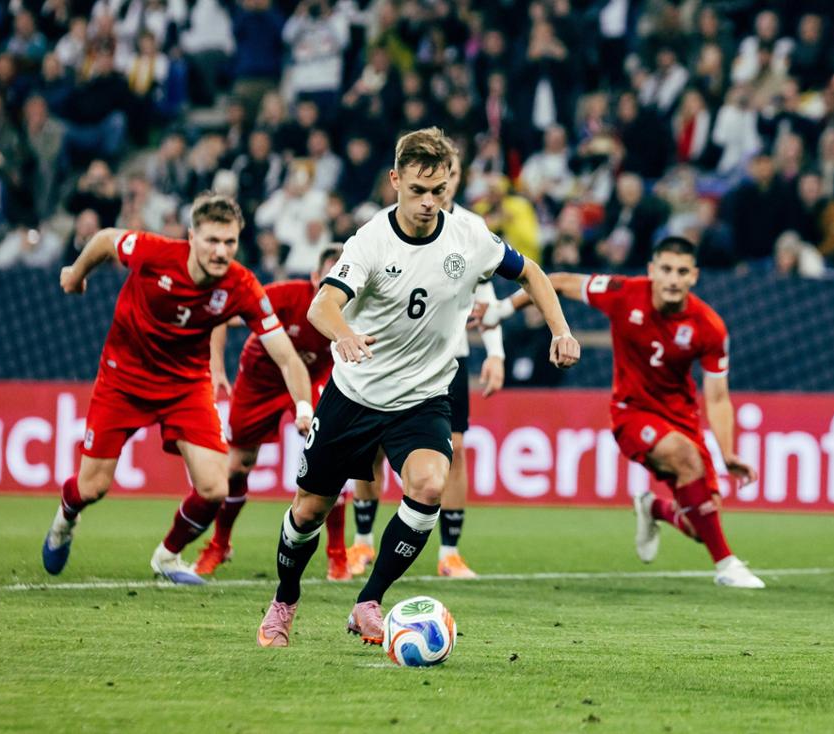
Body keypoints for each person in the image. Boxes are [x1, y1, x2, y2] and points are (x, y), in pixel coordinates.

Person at [256, 127, 580, 647]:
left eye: (439, 190)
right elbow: (323, 305)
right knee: (309, 511)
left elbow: (533, 275)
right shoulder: (370, 240)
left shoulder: (470, 238)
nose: (429, 202)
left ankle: (368, 601)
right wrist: (346, 335)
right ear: (395, 181)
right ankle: (284, 600)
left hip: (424, 396)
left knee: (430, 485)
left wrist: (561, 330)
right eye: (417, 191)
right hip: (355, 395)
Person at [41, 194, 314, 585]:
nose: (221, 252)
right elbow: (103, 240)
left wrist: (303, 406)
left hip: (186, 386)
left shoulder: (242, 286)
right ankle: (64, 523)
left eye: (230, 242)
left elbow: (287, 357)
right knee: (92, 487)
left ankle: (167, 557)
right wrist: (76, 273)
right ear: (191, 237)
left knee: (215, 488)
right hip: (123, 380)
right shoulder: (155, 253)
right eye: (212, 241)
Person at [484, 236, 765, 588]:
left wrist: (727, 452)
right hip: (631, 414)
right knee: (685, 457)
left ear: (694, 276)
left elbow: (719, 397)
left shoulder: (709, 326)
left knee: (699, 525)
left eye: (681, 272)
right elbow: (555, 281)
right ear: (652, 271)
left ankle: (653, 508)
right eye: (665, 269)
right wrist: (502, 309)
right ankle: (727, 565)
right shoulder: (623, 292)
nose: (673, 279)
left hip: (681, 420)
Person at [346, 149, 507, 580]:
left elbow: (484, 294)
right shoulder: (386, 226)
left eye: (448, 176)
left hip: (447, 362)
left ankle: (450, 553)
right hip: (387, 359)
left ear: (455, 177)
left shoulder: (472, 230)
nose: (441, 185)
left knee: (453, 453)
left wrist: (495, 351)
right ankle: (361, 544)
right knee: (369, 452)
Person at [197, 246, 351, 581]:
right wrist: (216, 366)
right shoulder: (287, 295)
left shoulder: (357, 310)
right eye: (328, 276)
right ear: (314, 278)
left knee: (331, 459)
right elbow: (223, 312)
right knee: (237, 465)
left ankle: (338, 554)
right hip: (260, 380)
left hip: (315, 380)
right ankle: (220, 543)